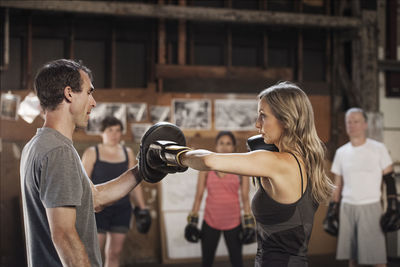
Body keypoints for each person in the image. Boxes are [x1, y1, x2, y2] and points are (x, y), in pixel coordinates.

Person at [143, 81, 335, 266]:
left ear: (286, 120)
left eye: (263, 116)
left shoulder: (278, 163)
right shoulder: (307, 160)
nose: (257, 124)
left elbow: (208, 160)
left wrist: (168, 153)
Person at [19, 59, 142, 267]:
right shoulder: (58, 151)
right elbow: (64, 235)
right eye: (88, 92)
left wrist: (143, 171)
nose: (93, 102)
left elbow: (94, 199)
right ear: (69, 93)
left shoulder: (37, 145)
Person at [82, 116, 151, 267]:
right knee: (93, 253)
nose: (114, 134)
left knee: (114, 253)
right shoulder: (92, 152)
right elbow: (83, 183)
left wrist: (143, 207)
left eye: (118, 131)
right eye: (110, 130)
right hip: (97, 210)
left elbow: (135, 184)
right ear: (102, 133)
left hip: (122, 209)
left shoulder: (128, 153)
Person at [330, 108, 393, 267]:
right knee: (353, 258)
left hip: (370, 206)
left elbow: (389, 179)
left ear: (365, 124)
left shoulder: (378, 148)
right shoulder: (341, 152)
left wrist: (393, 203)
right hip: (348, 207)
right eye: (349, 122)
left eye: (356, 121)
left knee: (377, 258)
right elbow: (337, 183)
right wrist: (332, 207)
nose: (352, 125)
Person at [186, 131, 251, 267]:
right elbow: (198, 196)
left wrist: (249, 224)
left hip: (234, 222)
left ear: (234, 147)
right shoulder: (206, 167)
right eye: (221, 143)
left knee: (237, 262)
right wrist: (192, 222)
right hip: (210, 222)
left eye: (228, 144)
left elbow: (245, 198)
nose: (225, 147)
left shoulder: (241, 169)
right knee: (207, 262)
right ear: (216, 146)